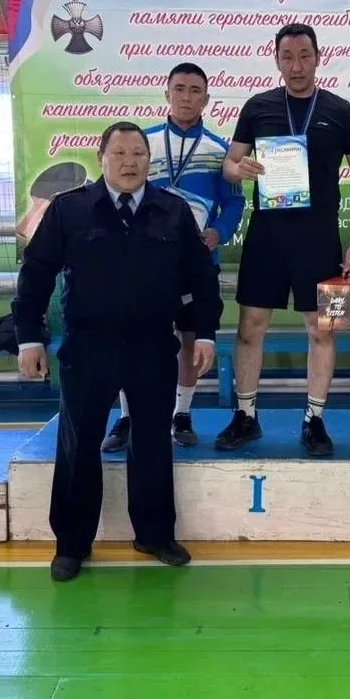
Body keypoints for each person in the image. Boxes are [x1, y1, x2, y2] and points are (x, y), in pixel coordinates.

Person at [13, 121, 221, 581]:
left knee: (152, 442)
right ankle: (71, 544)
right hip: (88, 346)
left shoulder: (172, 210)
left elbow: (202, 278)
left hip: (152, 346)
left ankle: (155, 534)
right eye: (120, 154)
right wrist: (29, 337)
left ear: (149, 160)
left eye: (138, 154)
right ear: (101, 159)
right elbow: (36, 274)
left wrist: (205, 333)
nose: (130, 163)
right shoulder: (70, 209)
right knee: (78, 444)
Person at [219, 23, 350, 457]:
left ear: (318, 57)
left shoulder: (340, 111)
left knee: (321, 330)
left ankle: (315, 420)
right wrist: (238, 169)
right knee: (250, 326)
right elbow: (230, 164)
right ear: (277, 61)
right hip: (266, 235)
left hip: (319, 237)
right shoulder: (258, 106)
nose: (297, 65)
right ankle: (246, 415)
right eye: (288, 57)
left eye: (305, 55)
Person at [103, 62, 244, 452]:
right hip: (144, 265)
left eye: (195, 90)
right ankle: (127, 415)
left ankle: (181, 414)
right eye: (179, 89)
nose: (186, 97)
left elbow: (234, 203)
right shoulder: (142, 145)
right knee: (134, 338)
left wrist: (219, 232)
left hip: (196, 264)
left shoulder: (220, 151)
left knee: (189, 340)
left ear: (206, 99)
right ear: (167, 94)